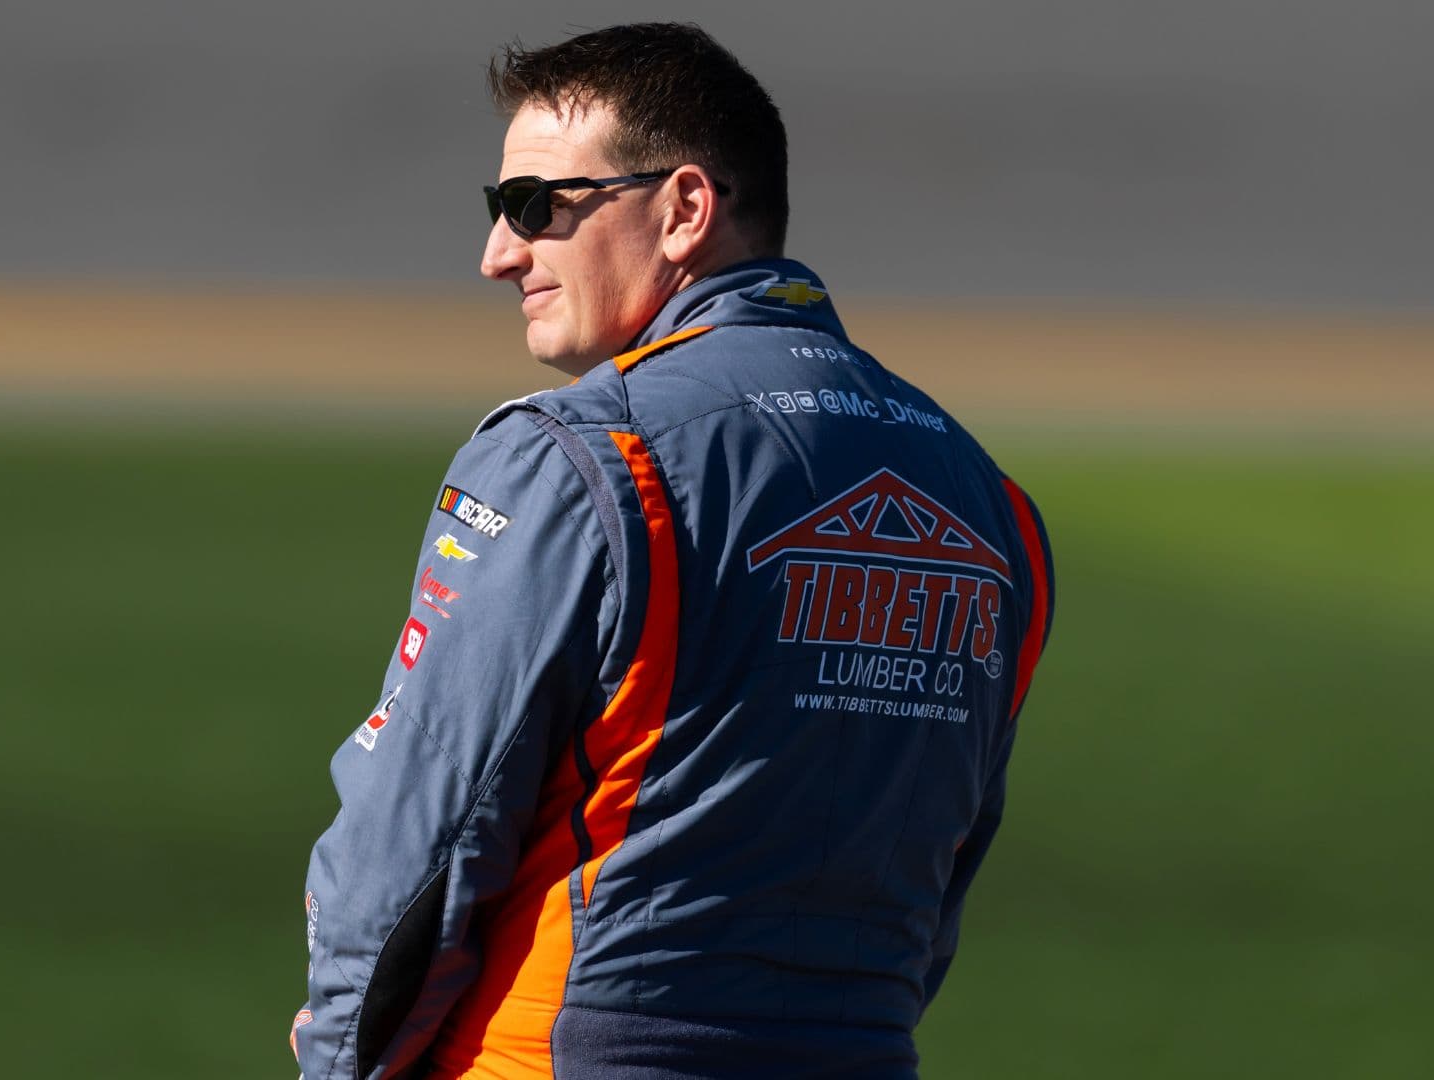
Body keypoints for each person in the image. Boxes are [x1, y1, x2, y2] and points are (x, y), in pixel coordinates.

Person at [293, 22, 1054, 1080]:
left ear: (685, 209)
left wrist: (338, 1061)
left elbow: (419, 840)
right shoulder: (989, 502)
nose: (500, 253)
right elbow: (940, 869)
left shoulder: (571, 455)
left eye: (534, 207)